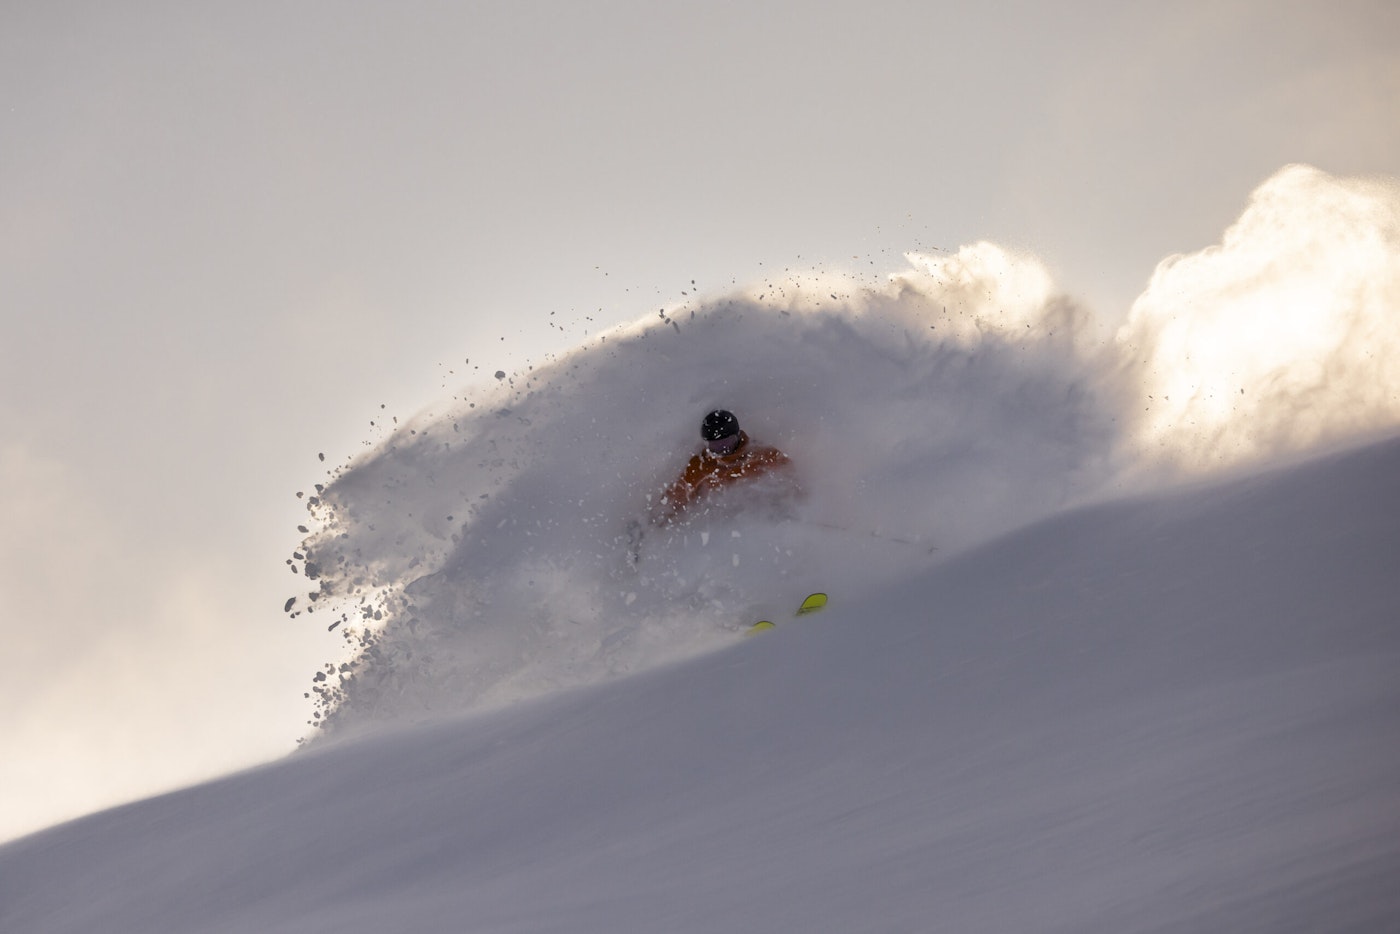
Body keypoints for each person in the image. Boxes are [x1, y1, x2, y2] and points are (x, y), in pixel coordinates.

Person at [648, 409, 795, 527]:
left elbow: (793, 479)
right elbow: (676, 497)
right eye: (716, 445)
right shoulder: (701, 465)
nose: (723, 449)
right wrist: (651, 521)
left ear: (738, 436)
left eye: (727, 443)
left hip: (764, 518)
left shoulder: (762, 455)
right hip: (724, 526)